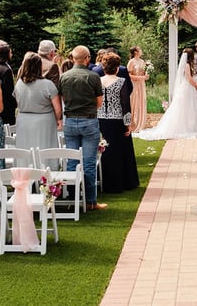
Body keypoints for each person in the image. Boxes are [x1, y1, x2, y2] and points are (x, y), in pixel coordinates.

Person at [58, 45, 106, 211]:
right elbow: (99, 102)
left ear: (72, 58)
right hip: (88, 120)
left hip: (70, 121)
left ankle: (73, 199)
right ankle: (90, 201)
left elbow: (63, 99)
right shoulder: (93, 77)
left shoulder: (64, 76)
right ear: (87, 59)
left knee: (72, 161)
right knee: (89, 162)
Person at [135, 48, 197, 140]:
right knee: (186, 107)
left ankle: (189, 126)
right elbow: (188, 77)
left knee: (187, 107)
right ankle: (185, 127)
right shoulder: (187, 65)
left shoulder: (187, 64)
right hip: (187, 87)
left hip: (187, 87)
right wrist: (195, 84)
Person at [98, 52, 139, 193]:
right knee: (119, 151)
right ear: (117, 68)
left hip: (101, 119)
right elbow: (125, 104)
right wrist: (128, 123)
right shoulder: (121, 82)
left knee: (104, 150)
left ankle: (104, 181)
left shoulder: (98, 81)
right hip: (117, 121)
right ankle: (122, 182)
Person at [14, 52, 62, 164]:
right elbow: (58, 108)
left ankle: (25, 173)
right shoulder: (47, 84)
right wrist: (58, 119)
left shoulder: (19, 84)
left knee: (25, 149)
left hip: (23, 120)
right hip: (44, 121)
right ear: (39, 66)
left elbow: (18, 102)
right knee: (45, 149)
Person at [127, 46, 149, 132]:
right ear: (135, 52)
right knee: (134, 102)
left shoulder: (142, 61)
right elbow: (128, 75)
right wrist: (140, 78)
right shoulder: (131, 62)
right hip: (134, 84)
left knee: (141, 101)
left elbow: (144, 73)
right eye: (140, 50)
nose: (141, 51)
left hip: (141, 85)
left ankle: (141, 123)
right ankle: (133, 124)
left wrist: (146, 75)